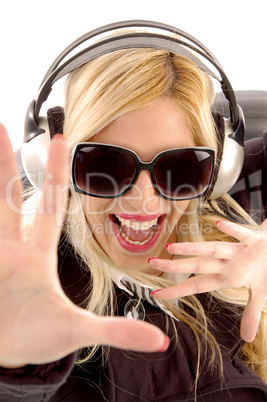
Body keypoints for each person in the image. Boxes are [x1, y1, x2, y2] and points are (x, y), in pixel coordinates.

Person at [0, 20, 267, 401]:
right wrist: (16, 371)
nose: (143, 198)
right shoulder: (22, 285)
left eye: (179, 167)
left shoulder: (241, 205)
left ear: (219, 169)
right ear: (53, 163)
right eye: (104, 166)